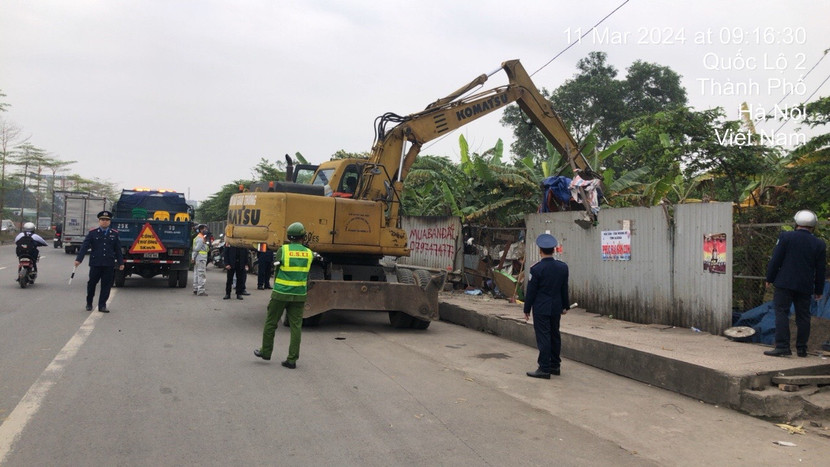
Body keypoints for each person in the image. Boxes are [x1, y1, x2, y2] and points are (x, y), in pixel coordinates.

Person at [764, 210, 826, 357]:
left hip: (784, 283)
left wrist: (770, 278)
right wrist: (819, 289)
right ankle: (802, 349)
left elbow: (776, 259)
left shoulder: (786, 237)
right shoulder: (819, 244)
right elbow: (821, 269)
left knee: (781, 313)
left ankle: (782, 347)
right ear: (813, 225)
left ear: (796, 223)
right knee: (804, 316)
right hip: (805, 286)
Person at [254, 222, 313, 369]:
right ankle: (292, 359)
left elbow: (277, 269)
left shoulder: (283, 250)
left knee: (271, 323)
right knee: (296, 327)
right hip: (299, 294)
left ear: (289, 236)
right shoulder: (308, 253)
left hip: (281, 293)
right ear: (303, 236)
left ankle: (266, 352)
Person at [523, 233, 570, 379]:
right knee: (555, 335)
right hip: (556, 307)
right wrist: (565, 306)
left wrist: (526, 309)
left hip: (542, 308)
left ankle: (544, 368)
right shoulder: (562, 267)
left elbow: (531, 292)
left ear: (540, 251)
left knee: (543, 337)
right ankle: (555, 365)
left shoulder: (536, 269)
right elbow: (564, 288)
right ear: (554, 250)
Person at [74, 210, 125, 313]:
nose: (104, 222)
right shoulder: (93, 233)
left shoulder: (114, 234)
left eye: (107, 220)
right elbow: (84, 247)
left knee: (106, 285)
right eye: (102, 220)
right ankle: (89, 302)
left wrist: (121, 262)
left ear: (110, 222)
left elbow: (118, 250)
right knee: (92, 283)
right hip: (96, 264)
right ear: (99, 221)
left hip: (109, 264)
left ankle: (102, 305)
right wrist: (79, 259)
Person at [191, 224, 209, 296]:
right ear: (201, 230)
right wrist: (193, 257)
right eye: (205, 229)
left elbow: (195, 249)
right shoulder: (200, 238)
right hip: (201, 258)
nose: (206, 230)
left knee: (196, 273)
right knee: (201, 274)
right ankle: (201, 291)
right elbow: (197, 249)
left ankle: (195, 289)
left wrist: (193, 257)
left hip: (198, 258)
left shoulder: (199, 237)